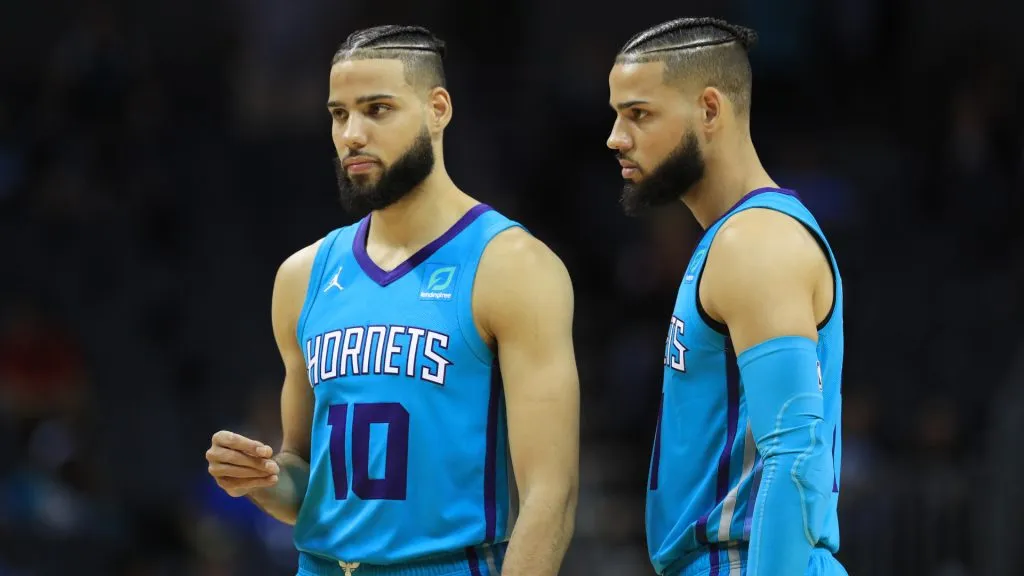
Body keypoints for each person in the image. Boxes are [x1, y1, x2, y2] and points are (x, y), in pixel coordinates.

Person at [205, 25, 579, 576]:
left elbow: (552, 496)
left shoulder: (511, 265)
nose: (352, 133)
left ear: (437, 109)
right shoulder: (302, 276)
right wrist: (261, 480)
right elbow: (304, 477)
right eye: (339, 114)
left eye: (377, 109)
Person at [605, 17, 847, 576]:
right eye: (617, 115)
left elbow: (793, 459)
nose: (615, 137)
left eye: (638, 114)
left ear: (710, 110)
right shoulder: (733, 238)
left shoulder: (755, 241)